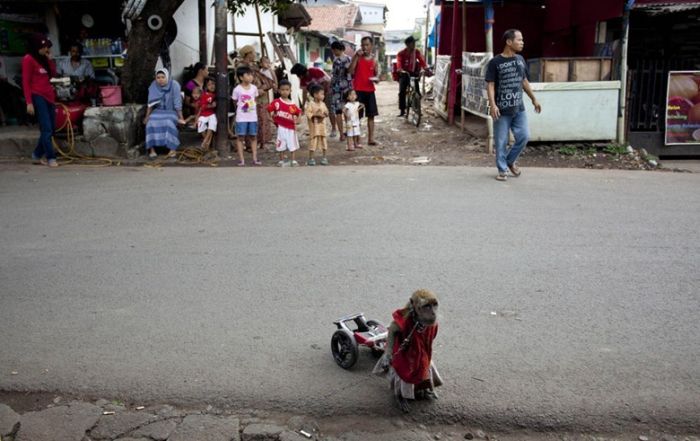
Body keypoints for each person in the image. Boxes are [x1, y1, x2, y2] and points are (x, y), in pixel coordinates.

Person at [486, 29, 542, 181]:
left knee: (524, 136)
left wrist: (533, 99)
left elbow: (523, 81)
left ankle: (509, 161)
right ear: (509, 42)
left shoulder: (520, 59)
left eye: (522, 40)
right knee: (501, 141)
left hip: (519, 107)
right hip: (501, 109)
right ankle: (502, 169)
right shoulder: (495, 62)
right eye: (519, 40)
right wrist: (492, 105)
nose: (522, 42)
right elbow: (490, 85)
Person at [22, 33, 58, 167]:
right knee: (46, 128)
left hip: (49, 96)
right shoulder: (28, 59)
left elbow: (52, 75)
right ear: (37, 47)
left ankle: (36, 154)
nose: (46, 50)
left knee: (52, 128)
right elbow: (25, 82)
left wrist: (50, 60)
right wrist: (29, 102)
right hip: (38, 96)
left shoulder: (43, 59)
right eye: (44, 48)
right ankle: (51, 157)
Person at [144, 68, 186, 160]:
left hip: (171, 111)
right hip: (158, 111)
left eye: (163, 77)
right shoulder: (153, 85)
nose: (160, 79)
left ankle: (172, 149)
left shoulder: (174, 85)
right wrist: (147, 117)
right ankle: (152, 150)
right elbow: (150, 104)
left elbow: (177, 103)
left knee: (168, 122)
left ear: (167, 77)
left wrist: (181, 117)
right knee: (150, 122)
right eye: (158, 77)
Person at [290, 62, 337, 138]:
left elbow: (328, 82)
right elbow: (304, 92)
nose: (298, 77)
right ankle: (318, 130)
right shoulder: (303, 80)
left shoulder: (315, 71)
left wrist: (323, 96)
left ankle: (334, 129)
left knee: (330, 110)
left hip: (328, 91)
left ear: (301, 72)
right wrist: (303, 105)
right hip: (317, 95)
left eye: (298, 74)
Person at [349, 36, 379, 146]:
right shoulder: (358, 57)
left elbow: (376, 75)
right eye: (363, 45)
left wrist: (377, 79)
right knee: (357, 116)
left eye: (367, 45)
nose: (364, 47)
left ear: (371, 46)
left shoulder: (374, 59)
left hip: (370, 91)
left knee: (371, 115)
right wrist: (356, 56)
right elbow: (350, 71)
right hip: (358, 91)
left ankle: (371, 139)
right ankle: (357, 139)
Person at [267, 79, 301, 167]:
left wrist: (298, 120)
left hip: (291, 128)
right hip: (281, 127)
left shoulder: (292, 104)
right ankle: (281, 160)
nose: (285, 92)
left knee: (292, 144)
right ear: (279, 90)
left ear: (290, 91)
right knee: (281, 143)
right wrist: (270, 118)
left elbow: (298, 112)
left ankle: (293, 160)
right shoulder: (276, 102)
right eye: (282, 90)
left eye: (287, 90)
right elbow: (269, 109)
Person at [232, 65, 261, 166]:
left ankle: (254, 158)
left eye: (251, 75)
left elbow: (255, 100)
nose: (250, 77)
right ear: (241, 77)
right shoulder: (237, 89)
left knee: (253, 136)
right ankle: (241, 159)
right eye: (247, 75)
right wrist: (241, 109)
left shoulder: (254, 88)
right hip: (241, 118)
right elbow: (234, 101)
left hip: (252, 117)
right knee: (240, 137)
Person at [396, 36, 427, 117]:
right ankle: (402, 110)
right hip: (404, 73)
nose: (414, 45)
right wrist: (399, 69)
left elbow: (421, 60)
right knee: (402, 92)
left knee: (417, 91)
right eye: (412, 43)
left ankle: (417, 108)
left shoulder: (416, 52)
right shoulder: (401, 53)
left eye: (414, 43)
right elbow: (398, 62)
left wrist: (425, 67)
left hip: (413, 73)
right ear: (407, 44)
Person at [330, 41, 352, 141]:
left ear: (340, 49)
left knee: (339, 111)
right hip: (346, 87)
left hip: (338, 89)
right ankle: (347, 133)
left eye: (335, 50)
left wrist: (331, 87)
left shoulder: (338, 60)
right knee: (345, 111)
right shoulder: (348, 59)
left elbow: (334, 76)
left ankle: (343, 134)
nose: (334, 52)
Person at [305, 84, 329, 166]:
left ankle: (324, 157)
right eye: (321, 94)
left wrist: (326, 113)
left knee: (324, 142)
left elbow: (326, 112)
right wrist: (316, 114)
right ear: (315, 95)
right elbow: (308, 114)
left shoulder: (323, 104)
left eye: (323, 94)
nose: (323, 96)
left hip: (322, 127)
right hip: (314, 128)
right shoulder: (310, 104)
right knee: (313, 142)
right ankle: (311, 158)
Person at [197, 77, 217, 150]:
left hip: (211, 114)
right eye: (209, 85)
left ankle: (205, 142)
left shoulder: (216, 95)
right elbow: (202, 106)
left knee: (212, 123)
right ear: (205, 87)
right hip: (204, 114)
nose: (212, 86)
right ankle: (207, 141)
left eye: (213, 84)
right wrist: (210, 105)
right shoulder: (204, 95)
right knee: (200, 124)